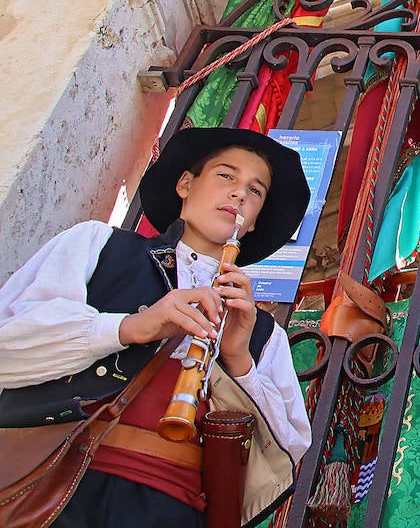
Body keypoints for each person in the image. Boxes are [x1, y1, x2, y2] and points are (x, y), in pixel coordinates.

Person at [0, 126, 314, 527]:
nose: (239, 194)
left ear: (252, 222)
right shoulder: (98, 245)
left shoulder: (263, 332)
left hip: (170, 508)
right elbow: (8, 344)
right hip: (54, 482)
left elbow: (287, 450)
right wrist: (131, 327)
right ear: (185, 184)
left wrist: (237, 360)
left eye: (255, 191)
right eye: (225, 175)